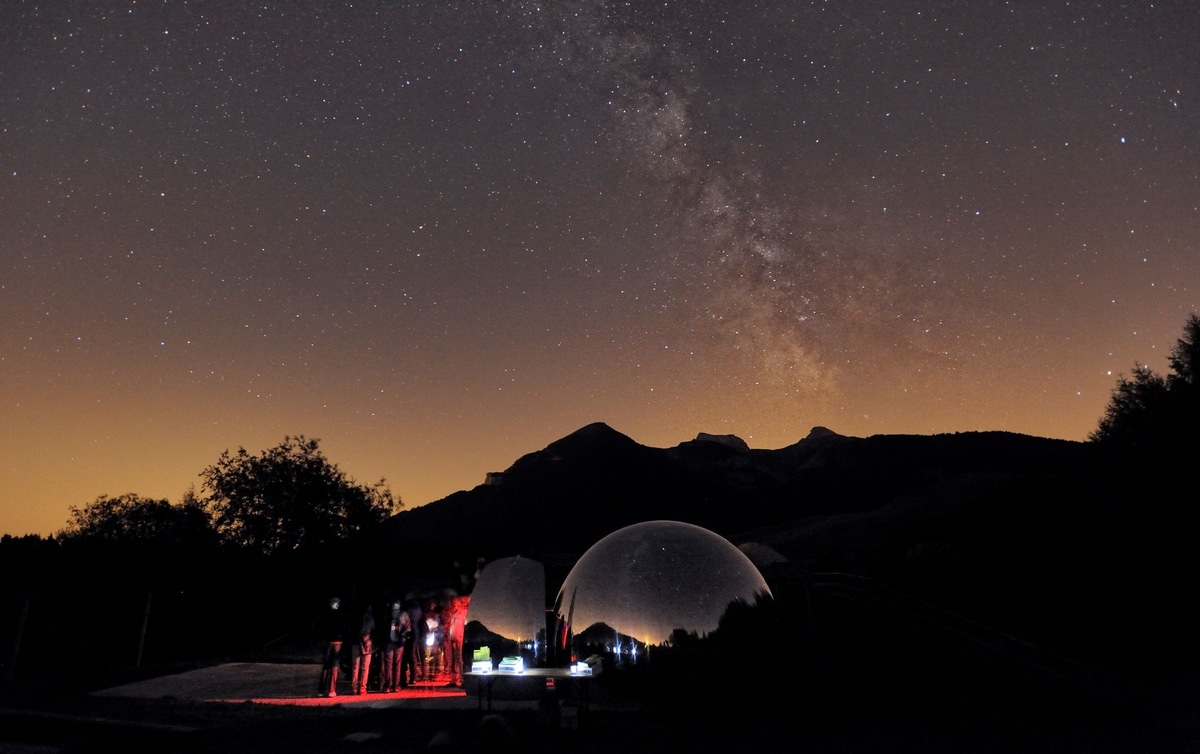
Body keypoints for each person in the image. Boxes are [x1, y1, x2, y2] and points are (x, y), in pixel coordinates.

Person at [315, 596, 346, 698]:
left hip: (328, 642)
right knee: (334, 666)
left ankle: (321, 690)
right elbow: (344, 628)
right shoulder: (340, 616)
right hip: (337, 642)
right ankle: (331, 690)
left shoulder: (325, 616)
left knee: (326, 667)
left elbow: (320, 630)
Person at [379, 600, 406, 693]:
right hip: (392, 642)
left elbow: (407, 628)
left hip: (395, 642)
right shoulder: (399, 614)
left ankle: (391, 686)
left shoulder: (391, 614)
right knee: (393, 665)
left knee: (390, 665)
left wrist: (399, 629)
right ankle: (393, 686)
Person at [350, 604, 375, 695]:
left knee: (355, 667)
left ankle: (354, 688)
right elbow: (373, 631)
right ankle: (362, 689)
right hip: (367, 643)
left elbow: (352, 630)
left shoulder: (355, 618)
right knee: (365, 667)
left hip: (356, 643)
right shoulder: (371, 619)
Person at [399, 608, 416, 688]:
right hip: (405, 640)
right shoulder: (404, 614)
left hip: (407, 640)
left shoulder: (404, 614)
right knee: (405, 661)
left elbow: (408, 629)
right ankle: (403, 680)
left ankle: (407, 679)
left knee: (407, 660)